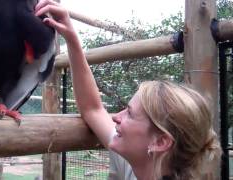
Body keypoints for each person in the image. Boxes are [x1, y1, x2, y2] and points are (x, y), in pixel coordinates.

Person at [34, 1, 222, 179]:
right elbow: (93, 109)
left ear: (160, 142)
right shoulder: (140, 164)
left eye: (130, 114)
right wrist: (72, 38)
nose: (116, 116)